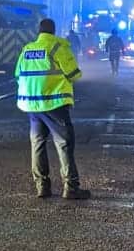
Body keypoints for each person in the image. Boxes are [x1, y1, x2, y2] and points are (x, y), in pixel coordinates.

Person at [15, 18, 88, 200]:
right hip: (54, 104)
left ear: (39, 32)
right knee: (64, 144)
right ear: (53, 31)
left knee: (37, 144)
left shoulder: (27, 49)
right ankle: (71, 187)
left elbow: (18, 75)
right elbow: (74, 74)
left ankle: (42, 187)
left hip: (32, 106)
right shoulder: (58, 47)